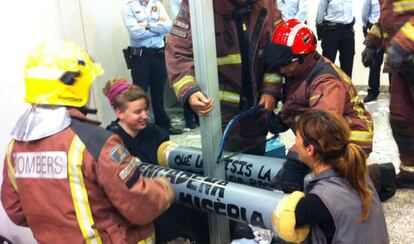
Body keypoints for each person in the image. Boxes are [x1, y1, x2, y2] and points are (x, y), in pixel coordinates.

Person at [1, 41, 174, 243]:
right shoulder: (95, 142)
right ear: (76, 85)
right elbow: (139, 205)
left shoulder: (15, 147)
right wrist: (165, 188)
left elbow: (15, 210)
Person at [165, 0, 283, 241]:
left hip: (257, 111)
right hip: (220, 112)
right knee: (223, 171)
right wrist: (188, 89)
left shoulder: (265, 4)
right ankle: (232, 225)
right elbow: (178, 51)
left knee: (254, 166)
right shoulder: (198, 5)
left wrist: (271, 89)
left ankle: (250, 215)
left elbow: (276, 48)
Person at [264, 19, 396, 201]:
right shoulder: (299, 70)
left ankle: (374, 177)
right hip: (329, 135)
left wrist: (295, 159)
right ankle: (358, 176)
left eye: (286, 63)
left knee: (318, 183)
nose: (282, 69)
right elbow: (301, 105)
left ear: (306, 56)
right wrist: (282, 120)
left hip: (350, 138)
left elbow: (322, 127)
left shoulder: (327, 83)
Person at [103, 78, 209, 243]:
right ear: (119, 113)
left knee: (201, 213)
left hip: (163, 193)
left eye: (146, 109)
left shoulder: (157, 133)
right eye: (138, 112)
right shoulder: (111, 142)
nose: (145, 115)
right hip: (138, 204)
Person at [272, 110, 389, 244]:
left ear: (310, 150)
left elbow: (283, 223)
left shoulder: (320, 198)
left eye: (297, 137)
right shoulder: (359, 176)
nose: (294, 144)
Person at [122, 0, 183, 135]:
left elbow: (168, 26)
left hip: (158, 55)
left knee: (158, 93)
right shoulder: (129, 7)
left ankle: (163, 125)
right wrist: (157, 28)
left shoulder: (157, 4)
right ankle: (141, 129)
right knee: (139, 93)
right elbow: (136, 33)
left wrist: (147, 25)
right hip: (140, 57)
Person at [372, 0, 414, 188]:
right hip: (401, 65)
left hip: (406, 54)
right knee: (400, 118)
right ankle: (410, 172)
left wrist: (401, 45)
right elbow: (387, 19)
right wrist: (371, 42)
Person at [316, 0, 355, 78]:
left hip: (347, 30)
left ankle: (346, 89)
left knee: (347, 64)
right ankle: (327, 89)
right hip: (331, 31)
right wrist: (319, 26)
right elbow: (321, 9)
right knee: (328, 64)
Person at [361, 0, 384, 103]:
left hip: (394, 30)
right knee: (374, 63)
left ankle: (396, 93)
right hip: (376, 29)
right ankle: (373, 92)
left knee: (394, 64)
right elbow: (365, 13)